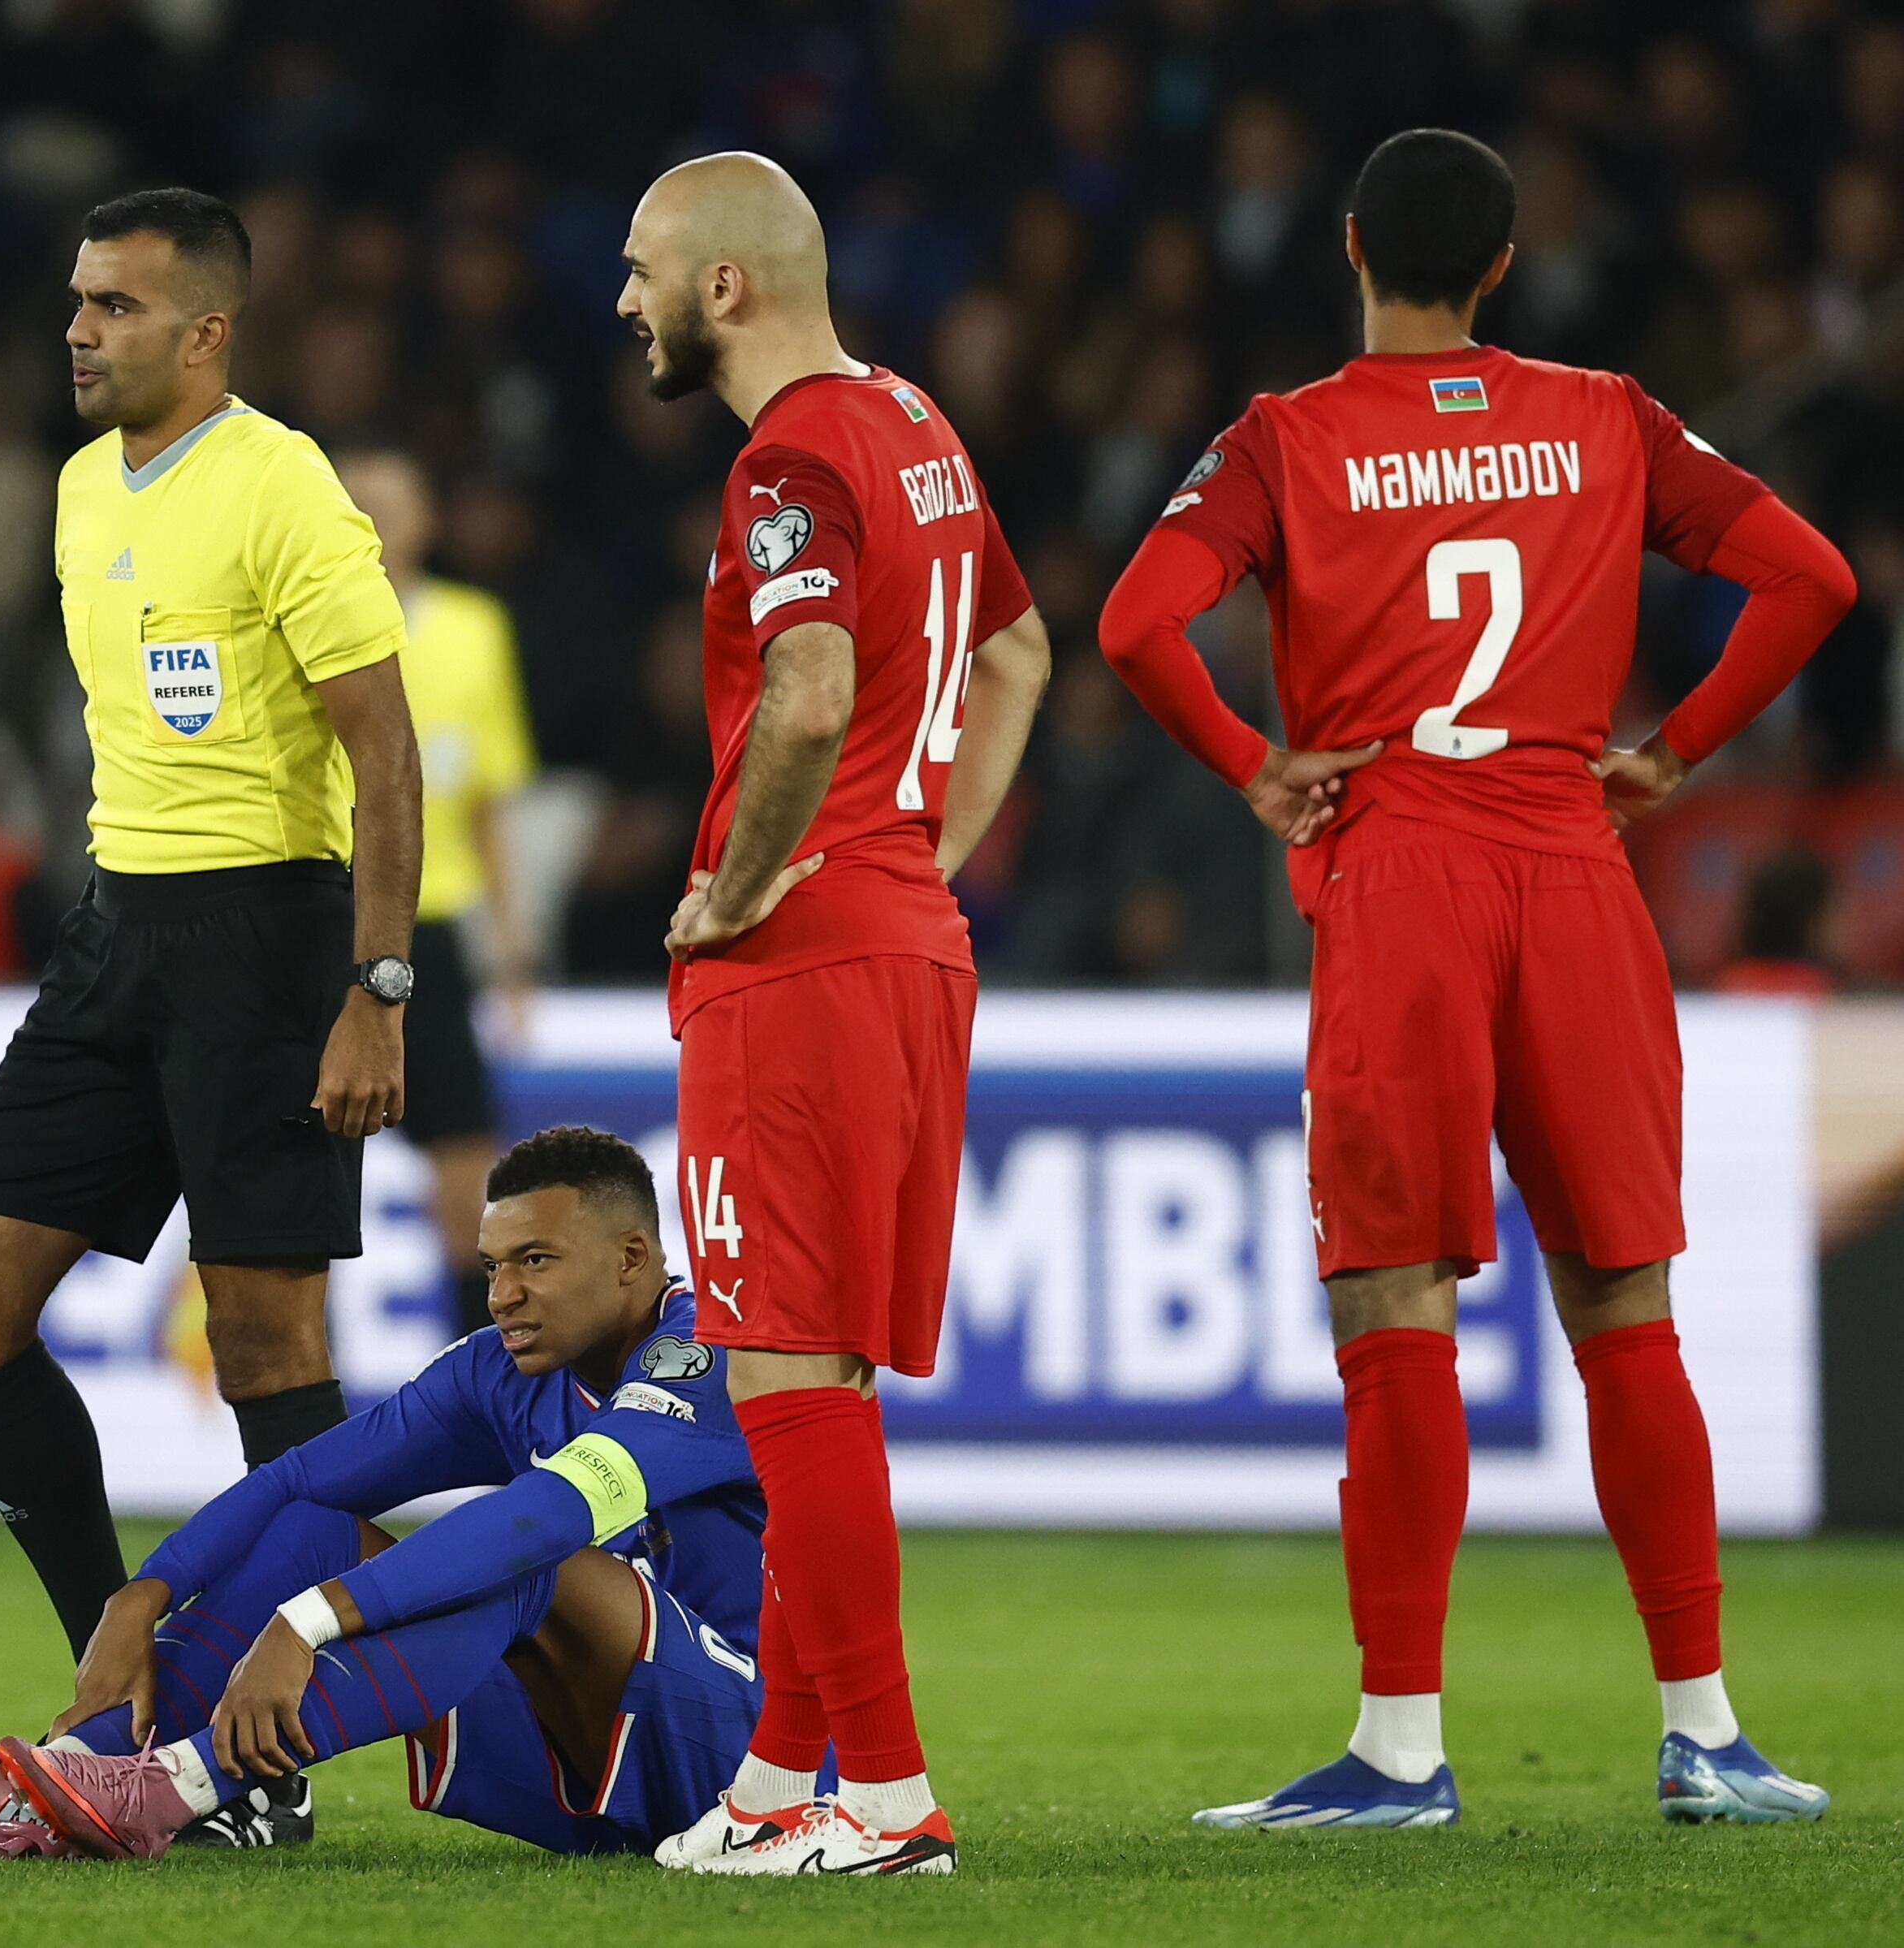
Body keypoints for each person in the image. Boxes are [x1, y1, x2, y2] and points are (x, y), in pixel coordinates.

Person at [1097, 129, 1853, 1829]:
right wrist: (1668, 754)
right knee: (1622, 1312)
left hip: (1400, 878)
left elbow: (1137, 620)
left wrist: (1245, 761)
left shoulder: (1282, 439)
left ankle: (1396, 1751)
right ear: (1502, 266)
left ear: (1349, 247)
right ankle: (1705, 1731)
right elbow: (1808, 577)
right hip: (1574, 878)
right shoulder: (1604, 415)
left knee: (1392, 1313)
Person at [0, 189, 424, 1844]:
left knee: (271, 1353)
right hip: (117, 923)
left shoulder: (282, 486)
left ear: (204, 330)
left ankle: (254, 1761)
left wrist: (374, 985)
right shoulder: (73, 491)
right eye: (73, 300)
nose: (76, 329)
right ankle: (115, 1693)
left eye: (115, 306)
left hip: (269, 938)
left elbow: (384, 750)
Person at [615, 152, 1052, 1877]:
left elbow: (804, 694)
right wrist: (915, 847)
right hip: (903, 939)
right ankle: (775, 1774)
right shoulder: (912, 421)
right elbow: (1015, 652)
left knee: (783, 1376)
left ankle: (883, 1793)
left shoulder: (784, 458)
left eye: (643, 266)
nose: (624, 297)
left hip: (798, 963)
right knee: (819, 1385)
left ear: (723, 285)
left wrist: (739, 886)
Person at [0, 1127, 787, 1864]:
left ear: (630, 1259)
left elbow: (540, 1519)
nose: (501, 1293)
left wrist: (309, 1622)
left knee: (522, 1557)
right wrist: (143, 1592)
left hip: (752, 1760)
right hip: (599, 1742)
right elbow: (300, 1475)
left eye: (536, 1260)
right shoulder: (503, 1367)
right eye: (493, 1264)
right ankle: (50, 1784)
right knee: (312, 1525)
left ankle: (170, 1791)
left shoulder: (706, 1359)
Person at [340, 448, 538, 1339]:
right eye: (357, 505)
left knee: (465, 1169)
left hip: (435, 928)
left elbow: (491, 804)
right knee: (302, 1158)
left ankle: (477, 1363)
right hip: (330, 922)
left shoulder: (475, 627)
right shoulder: (302, 621)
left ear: (426, 521)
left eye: (391, 504)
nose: (376, 524)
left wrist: (514, 954)